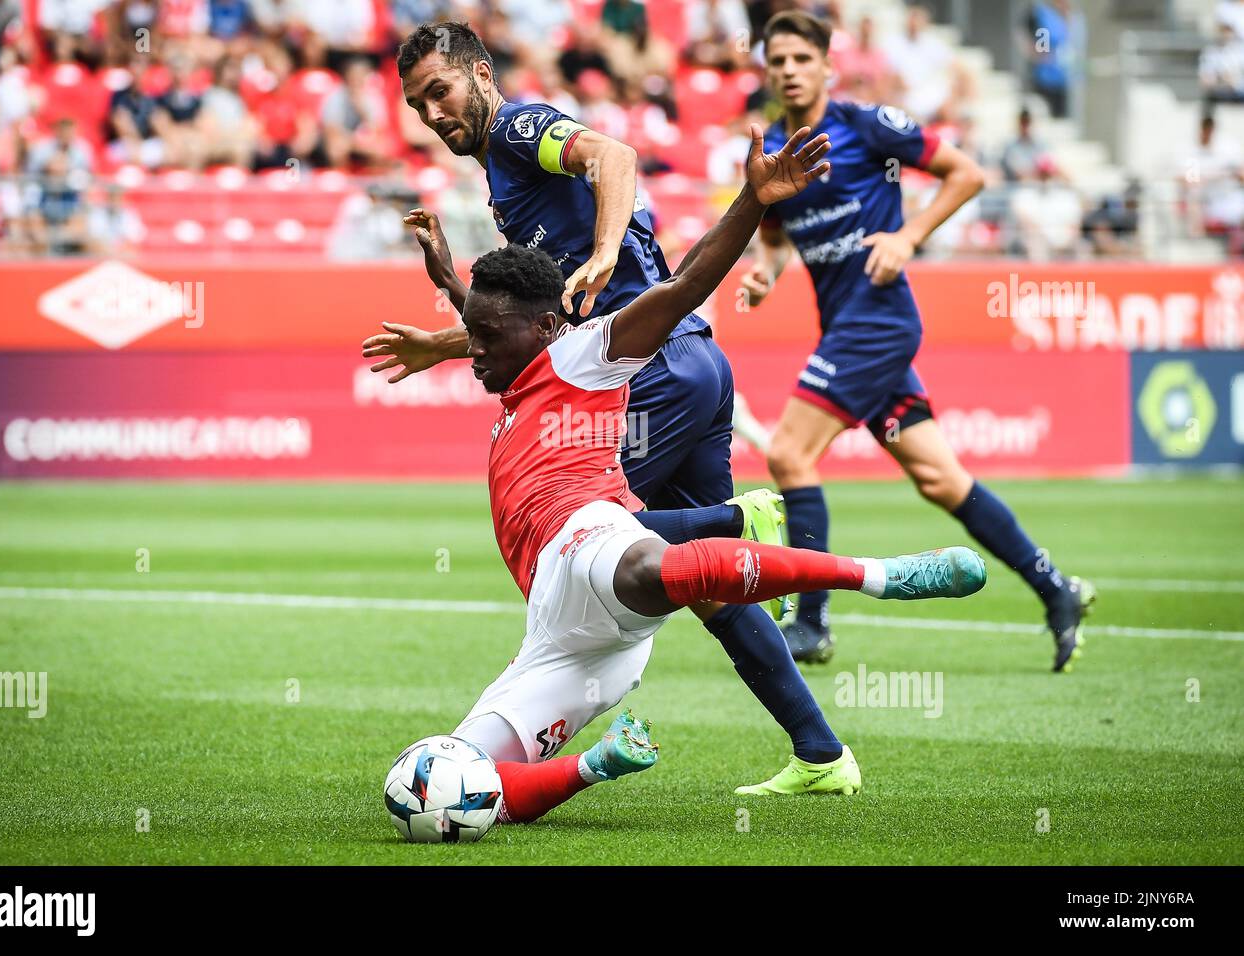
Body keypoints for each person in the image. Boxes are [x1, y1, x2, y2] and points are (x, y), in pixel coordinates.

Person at [376, 132, 986, 821]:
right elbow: (497, 321)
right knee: (464, 783)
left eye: (483, 338)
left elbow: (686, 283)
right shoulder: (517, 360)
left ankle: (873, 574)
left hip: (583, 542)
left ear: (548, 326)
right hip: (568, 639)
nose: (472, 351)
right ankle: (608, 757)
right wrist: (448, 276)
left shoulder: (584, 355)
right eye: (472, 334)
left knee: (642, 565)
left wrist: (754, 200)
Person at [368, 21, 883, 780]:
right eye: (417, 104)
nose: (432, 112)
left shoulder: (515, 129)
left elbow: (615, 157)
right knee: (701, 586)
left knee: (592, 535)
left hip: (649, 372)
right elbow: (542, 325)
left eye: (440, 90)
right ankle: (821, 753)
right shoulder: (504, 176)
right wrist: (446, 334)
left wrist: (607, 250)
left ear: (480, 73)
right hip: (688, 361)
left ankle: (739, 520)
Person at [738, 11, 1096, 672]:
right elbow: (778, 232)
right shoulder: (772, 156)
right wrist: (767, 275)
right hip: (850, 330)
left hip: (877, 321)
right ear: (767, 69)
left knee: (789, 453)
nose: (789, 70)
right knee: (939, 478)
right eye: (777, 60)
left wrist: (908, 237)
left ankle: (811, 623)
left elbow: (966, 174)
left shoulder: (864, 126)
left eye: (800, 59)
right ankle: (1057, 588)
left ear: (825, 65)